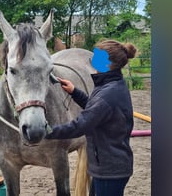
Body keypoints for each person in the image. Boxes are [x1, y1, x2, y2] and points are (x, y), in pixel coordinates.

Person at [45, 39, 137, 196]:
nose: (91, 61)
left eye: (96, 58)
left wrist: (47, 131)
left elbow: (81, 125)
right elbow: (96, 110)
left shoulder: (108, 94)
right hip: (109, 166)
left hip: (109, 170)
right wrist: (74, 91)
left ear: (107, 64)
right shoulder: (111, 85)